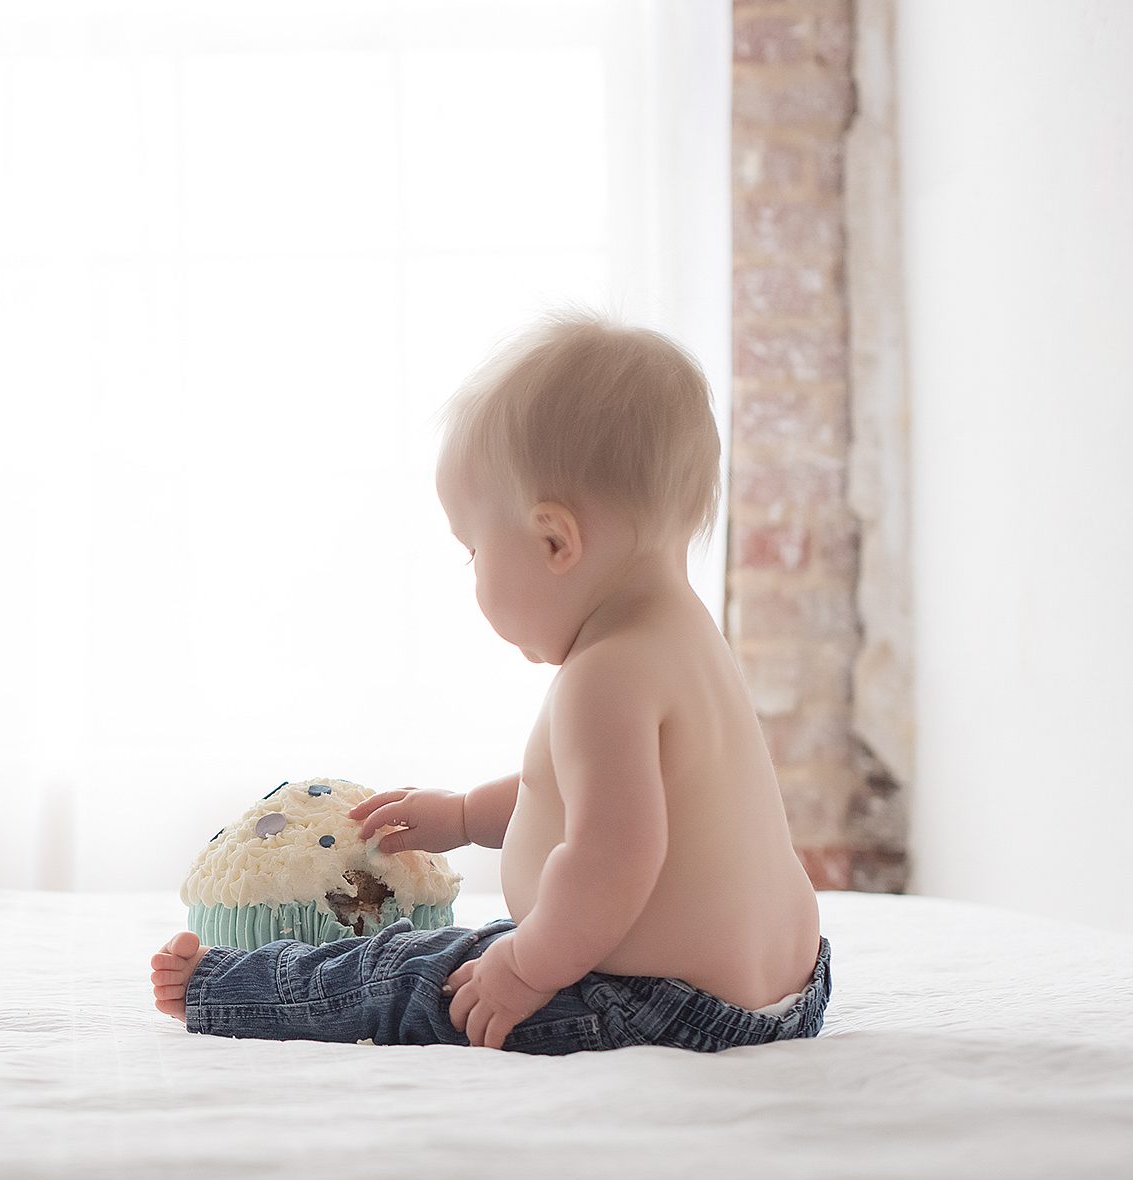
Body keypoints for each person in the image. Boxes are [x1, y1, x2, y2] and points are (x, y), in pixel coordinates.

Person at [149, 311, 829, 1054]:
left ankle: (226, 985)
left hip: (657, 1006)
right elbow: (584, 797)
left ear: (553, 541)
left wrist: (528, 968)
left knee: (410, 973)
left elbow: (614, 859)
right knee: (499, 943)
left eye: (474, 551)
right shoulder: (688, 639)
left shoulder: (603, 678)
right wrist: (469, 816)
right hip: (790, 993)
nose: (473, 574)